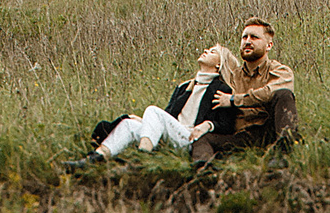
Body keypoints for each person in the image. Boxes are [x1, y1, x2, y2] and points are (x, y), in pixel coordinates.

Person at [73, 47, 227, 164]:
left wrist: (208, 125)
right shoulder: (185, 87)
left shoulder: (221, 89)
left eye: (212, 52)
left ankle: (142, 156)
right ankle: (95, 158)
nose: (206, 51)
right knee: (129, 124)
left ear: (219, 65)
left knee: (152, 110)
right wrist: (144, 121)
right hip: (172, 134)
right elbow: (167, 116)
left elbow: (226, 124)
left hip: (189, 140)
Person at [189, 16, 296, 165]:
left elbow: (270, 92)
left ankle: (283, 154)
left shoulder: (280, 71)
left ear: (268, 45)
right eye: (244, 37)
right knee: (202, 140)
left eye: (254, 37)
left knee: (283, 94)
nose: (247, 41)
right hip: (242, 136)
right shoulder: (232, 77)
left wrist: (234, 100)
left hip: (269, 130)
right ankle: (205, 171)